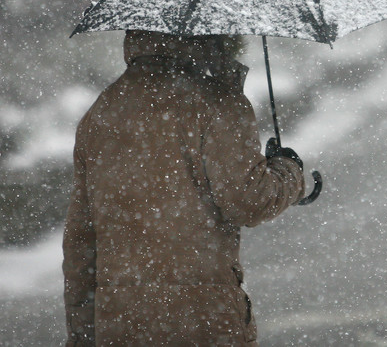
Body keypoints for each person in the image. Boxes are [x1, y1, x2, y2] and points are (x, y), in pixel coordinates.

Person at [63, 30, 306, 346]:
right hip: (204, 320)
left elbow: (81, 243)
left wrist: (82, 335)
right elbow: (249, 201)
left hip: (121, 323)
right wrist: (289, 172)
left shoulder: (101, 113)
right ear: (213, 34)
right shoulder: (218, 103)